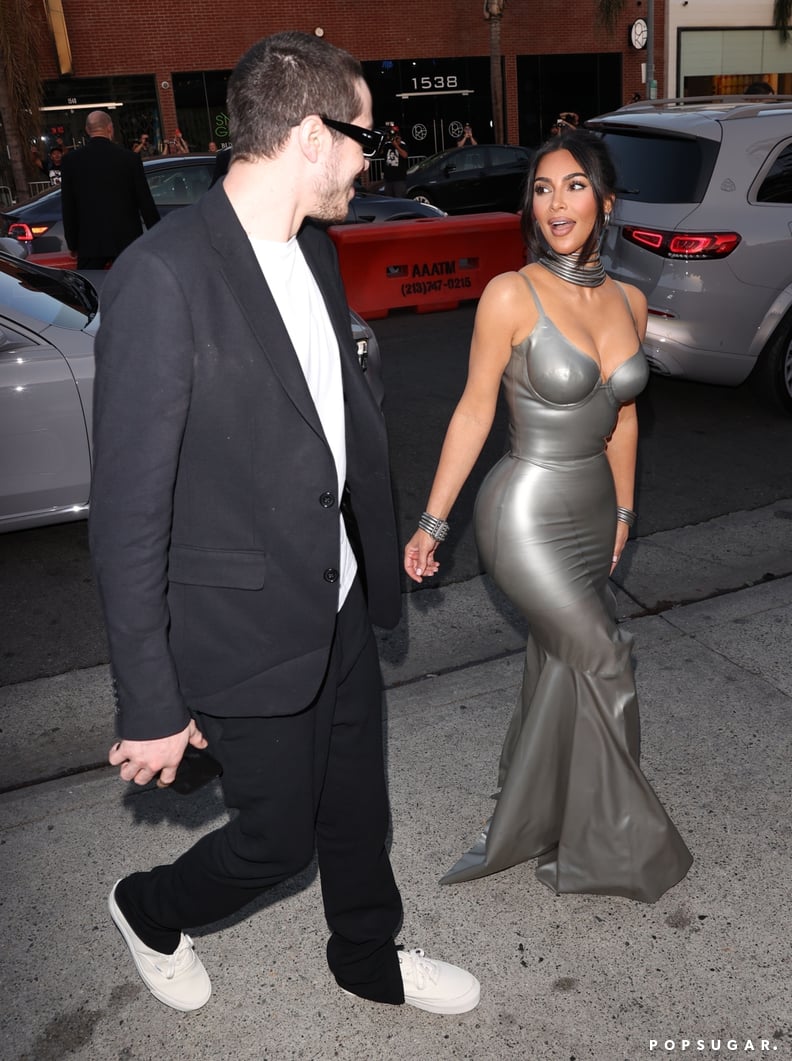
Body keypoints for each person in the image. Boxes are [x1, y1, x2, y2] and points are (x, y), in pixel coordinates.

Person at [90, 31, 480, 1016]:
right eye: (364, 140)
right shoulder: (162, 277)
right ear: (312, 134)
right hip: (240, 627)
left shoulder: (312, 245)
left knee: (356, 804)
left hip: (337, 594)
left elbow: (328, 422)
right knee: (278, 839)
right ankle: (146, 904)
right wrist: (149, 699)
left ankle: (368, 956)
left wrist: (374, 541)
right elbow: (127, 517)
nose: (371, 160)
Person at [404, 129, 692, 904]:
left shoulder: (629, 299)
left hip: (596, 509)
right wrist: (433, 522)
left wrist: (627, 507)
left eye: (572, 186)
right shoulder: (511, 292)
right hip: (523, 510)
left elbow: (625, 418)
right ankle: (619, 849)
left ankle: (542, 812)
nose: (555, 203)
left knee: (563, 662)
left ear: (605, 201)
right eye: (541, 188)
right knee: (605, 657)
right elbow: (471, 412)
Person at [60, 109, 160, 270]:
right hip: (126, 239)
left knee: (90, 290)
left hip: (90, 242)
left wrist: (72, 243)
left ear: (87, 130)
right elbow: (145, 201)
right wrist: (157, 234)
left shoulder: (71, 161)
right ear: (110, 128)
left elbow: (68, 205)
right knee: (130, 288)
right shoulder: (129, 159)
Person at [382, 123, 409, 197]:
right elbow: (380, 152)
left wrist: (396, 145)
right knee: (388, 199)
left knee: (399, 199)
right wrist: (384, 140)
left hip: (399, 179)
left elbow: (405, 155)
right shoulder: (387, 144)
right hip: (388, 179)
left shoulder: (402, 144)